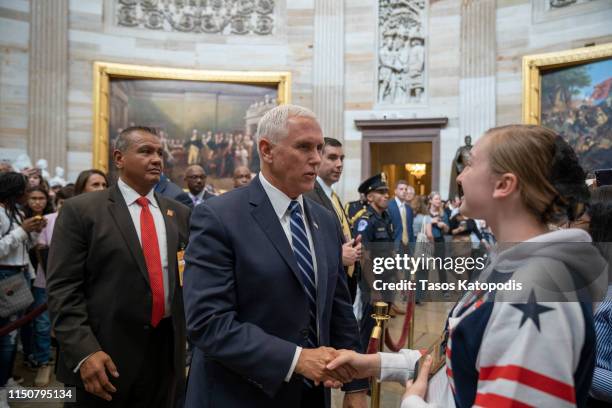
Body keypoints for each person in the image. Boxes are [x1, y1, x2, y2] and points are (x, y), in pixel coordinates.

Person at [325, 124, 607, 408]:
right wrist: (375, 363)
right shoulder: (509, 265)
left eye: (470, 164)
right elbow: (461, 359)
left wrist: (412, 403)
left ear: (504, 185)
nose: (459, 176)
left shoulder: (539, 291)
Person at [183, 105, 368, 408]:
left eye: (320, 148)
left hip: (311, 397)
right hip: (240, 395)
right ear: (267, 151)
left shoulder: (325, 220)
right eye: (304, 147)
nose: (317, 159)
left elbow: (338, 307)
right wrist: (296, 359)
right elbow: (207, 322)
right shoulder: (218, 217)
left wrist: (356, 385)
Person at [47, 126, 191, 407]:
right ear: (119, 158)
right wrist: (85, 353)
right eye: (146, 151)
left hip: (164, 359)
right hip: (103, 359)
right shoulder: (82, 211)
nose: (157, 159)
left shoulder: (179, 214)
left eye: (159, 153)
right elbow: (63, 289)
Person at [0, 172, 46, 406]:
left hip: (19, 276)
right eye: (25, 191)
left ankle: (6, 380)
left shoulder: (16, 213)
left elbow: (21, 248)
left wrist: (34, 230)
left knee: (12, 334)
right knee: (6, 337)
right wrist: (21, 231)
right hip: (4, 278)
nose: (28, 195)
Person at [304, 137, 362, 302]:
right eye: (332, 157)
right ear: (317, 158)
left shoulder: (333, 196)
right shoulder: (308, 195)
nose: (339, 164)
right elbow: (306, 245)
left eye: (342, 158)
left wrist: (353, 246)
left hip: (342, 282)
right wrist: (338, 256)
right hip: (324, 289)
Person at [352, 173, 395, 349]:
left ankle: (376, 364)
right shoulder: (365, 220)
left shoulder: (386, 218)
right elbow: (364, 257)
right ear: (370, 197)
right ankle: (362, 373)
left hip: (387, 280)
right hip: (373, 283)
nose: (386, 195)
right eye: (381, 192)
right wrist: (374, 288)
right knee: (369, 329)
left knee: (382, 326)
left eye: (387, 192)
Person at [387, 180, 416, 253]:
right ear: (395, 191)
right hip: (394, 246)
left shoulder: (409, 209)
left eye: (405, 189)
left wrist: (413, 248)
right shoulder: (389, 206)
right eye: (401, 189)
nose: (404, 191)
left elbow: (410, 229)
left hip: (407, 247)